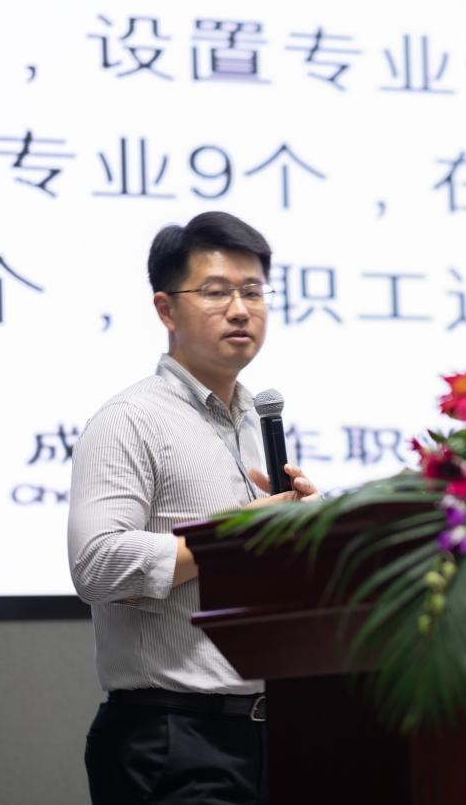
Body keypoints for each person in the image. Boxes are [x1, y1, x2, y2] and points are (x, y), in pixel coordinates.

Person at [68, 211, 317, 804]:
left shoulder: (257, 424)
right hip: (172, 737)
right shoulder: (129, 420)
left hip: (274, 735)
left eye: (253, 291)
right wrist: (236, 535)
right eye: (216, 292)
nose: (240, 310)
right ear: (165, 309)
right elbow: (97, 565)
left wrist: (312, 533)